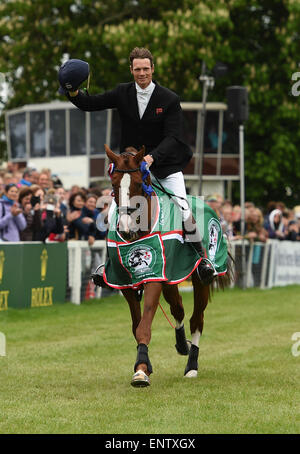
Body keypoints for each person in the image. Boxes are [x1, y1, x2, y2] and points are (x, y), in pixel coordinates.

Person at [59, 47, 215, 285]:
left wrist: (151, 158)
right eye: (137, 69)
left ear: (152, 69)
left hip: (164, 166)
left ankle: (202, 260)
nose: (142, 73)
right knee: (113, 213)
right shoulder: (122, 92)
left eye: (145, 68)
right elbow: (90, 104)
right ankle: (107, 265)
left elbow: (173, 137)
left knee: (183, 207)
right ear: (131, 70)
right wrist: (72, 90)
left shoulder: (169, 99)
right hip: (131, 168)